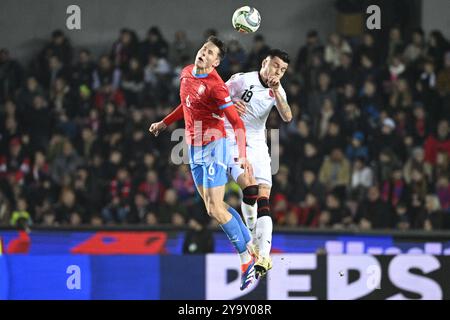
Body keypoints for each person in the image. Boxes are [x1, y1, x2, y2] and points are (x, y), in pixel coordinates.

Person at [148, 36, 256, 290]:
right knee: (212, 207)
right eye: (203, 49)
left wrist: (242, 154)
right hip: (194, 149)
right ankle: (249, 241)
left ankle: (245, 260)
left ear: (216, 62)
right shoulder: (186, 73)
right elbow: (186, 105)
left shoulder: (216, 86)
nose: (204, 54)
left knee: (215, 209)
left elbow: (237, 123)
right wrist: (165, 122)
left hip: (213, 144)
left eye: (210, 54)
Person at [224, 49, 292, 278]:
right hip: (233, 137)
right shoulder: (242, 80)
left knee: (264, 196)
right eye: (275, 66)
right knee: (250, 189)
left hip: (257, 142)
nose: (278, 72)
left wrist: (277, 92)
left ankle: (264, 256)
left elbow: (287, 116)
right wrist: (230, 105)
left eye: (282, 70)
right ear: (265, 62)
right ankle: (252, 237)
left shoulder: (277, 90)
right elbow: (214, 98)